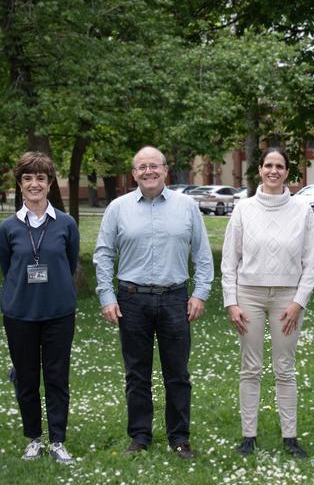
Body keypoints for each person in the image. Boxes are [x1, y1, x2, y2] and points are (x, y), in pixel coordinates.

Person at [93, 146, 214, 459]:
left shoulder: (186, 206)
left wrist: (200, 293)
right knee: (136, 374)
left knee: (177, 374)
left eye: (154, 166)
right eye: (141, 167)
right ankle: (140, 436)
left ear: (165, 170)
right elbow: (104, 253)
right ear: (134, 173)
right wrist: (106, 295)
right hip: (131, 300)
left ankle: (179, 438)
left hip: (175, 299)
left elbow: (201, 254)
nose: (148, 171)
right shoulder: (118, 208)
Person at [221, 149, 314, 458]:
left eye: (279, 166)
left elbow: (311, 262)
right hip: (248, 295)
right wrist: (231, 302)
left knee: (284, 369)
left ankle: (290, 437)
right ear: (260, 170)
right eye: (268, 165)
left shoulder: (302, 211)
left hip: (287, 299)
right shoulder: (243, 210)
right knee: (250, 368)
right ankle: (248, 436)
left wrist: (298, 302)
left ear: (287, 172)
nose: (273, 171)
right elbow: (229, 261)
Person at [0, 152, 80, 465]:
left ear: (50, 183)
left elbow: (69, 263)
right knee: (27, 378)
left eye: (41, 178)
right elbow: (8, 267)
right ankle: (33, 438)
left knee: (58, 378)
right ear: (20, 184)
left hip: (59, 313)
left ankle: (58, 439)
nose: (34, 184)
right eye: (28, 178)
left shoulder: (66, 224)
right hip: (20, 314)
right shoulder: (8, 228)